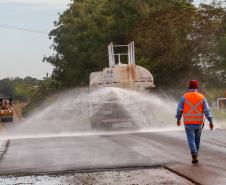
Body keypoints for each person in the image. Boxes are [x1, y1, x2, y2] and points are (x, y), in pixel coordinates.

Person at [176, 80, 214, 163]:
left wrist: (178, 119)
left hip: (188, 123)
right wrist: (210, 121)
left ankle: (194, 155)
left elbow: (179, 109)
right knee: (197, 140)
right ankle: (196, 154)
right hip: (199, 123)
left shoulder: (185, 97)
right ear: (197, 87)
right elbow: (207, 110)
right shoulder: (202, 97)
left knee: (191, 139)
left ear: (189, 87)